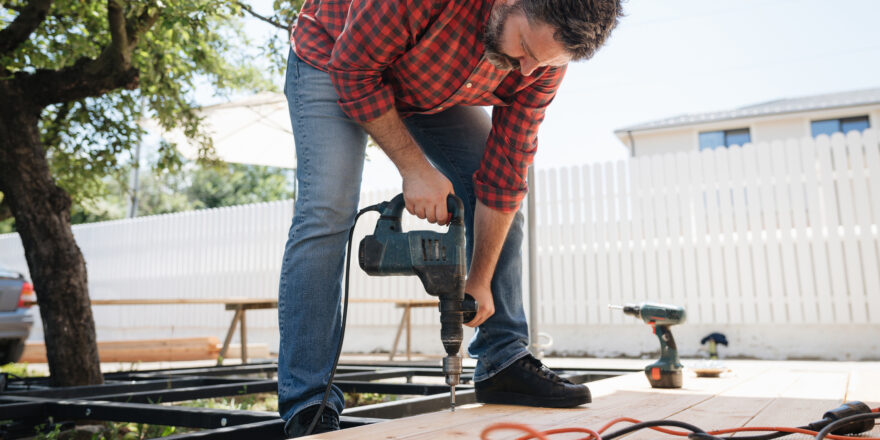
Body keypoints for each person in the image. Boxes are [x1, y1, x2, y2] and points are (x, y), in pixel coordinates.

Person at [277, 0, 622, 436]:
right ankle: (309, 401)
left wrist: (478, 280)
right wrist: (415, 169)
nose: (529, 71)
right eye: (524, 50)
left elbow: (505, 174)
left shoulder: (542, 63)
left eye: (543, 63)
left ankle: (503, 359)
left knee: (497, 190)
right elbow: (353, 69)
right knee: (328, 209)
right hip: (335, 57)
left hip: (430, 83)